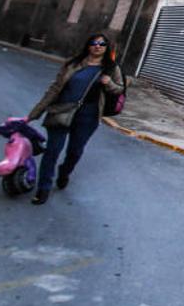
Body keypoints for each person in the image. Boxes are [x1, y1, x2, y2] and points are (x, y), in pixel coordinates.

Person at [26, 33, 124, 205]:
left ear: (106, 48)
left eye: (102, 44)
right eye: (94, 42)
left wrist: (108, 83)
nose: (98, 46)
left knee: (75, 151)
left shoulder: (110, 68)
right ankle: (44, 188)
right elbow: (55, 89)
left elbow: (119, 90)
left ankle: (65, 172)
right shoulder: (73, 64)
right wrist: (35, 113)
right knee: (52, 151)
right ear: (88, 45)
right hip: (62, 110)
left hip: (88, 115)